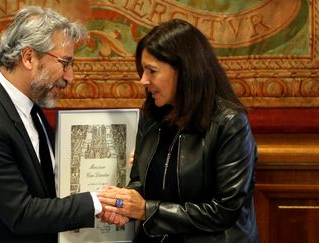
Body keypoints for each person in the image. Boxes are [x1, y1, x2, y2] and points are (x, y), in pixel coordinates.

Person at [0, 6, 102, 242]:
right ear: (29, 57)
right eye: (65, 62)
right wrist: (99, 202)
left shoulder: (30, 103)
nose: (70, 76)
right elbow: (22, 214)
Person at [97, 19, 259, 243]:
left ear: (184, 71)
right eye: (143, 70)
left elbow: (224, 211)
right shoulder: (151, 115)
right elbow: (140, 182)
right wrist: (122, 205)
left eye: (151, 71)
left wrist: (146, 210)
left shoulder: (230, 122)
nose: (143, 80)